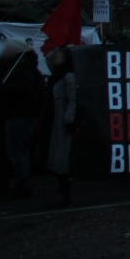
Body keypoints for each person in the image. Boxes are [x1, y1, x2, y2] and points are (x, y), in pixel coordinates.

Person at [0, 44, 44, 199]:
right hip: (18, 115)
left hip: (18, 115)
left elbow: (23, 90)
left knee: (17, 151)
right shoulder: (22, 67)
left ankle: (22, 185)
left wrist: (1, 88)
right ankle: (20, 182)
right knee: (17, 151)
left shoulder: (22, 69)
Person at [46, 47, 77, 207]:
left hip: (63, 117)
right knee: (58, 154)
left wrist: (69, 119)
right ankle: (61, 191)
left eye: (60, 56)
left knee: (63, 155)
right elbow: (48, 59)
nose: (56, 58)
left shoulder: (68, 76)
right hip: (57, 115)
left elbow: (73, 99)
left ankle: (65, 194)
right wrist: (59, 46)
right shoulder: (57, 73)